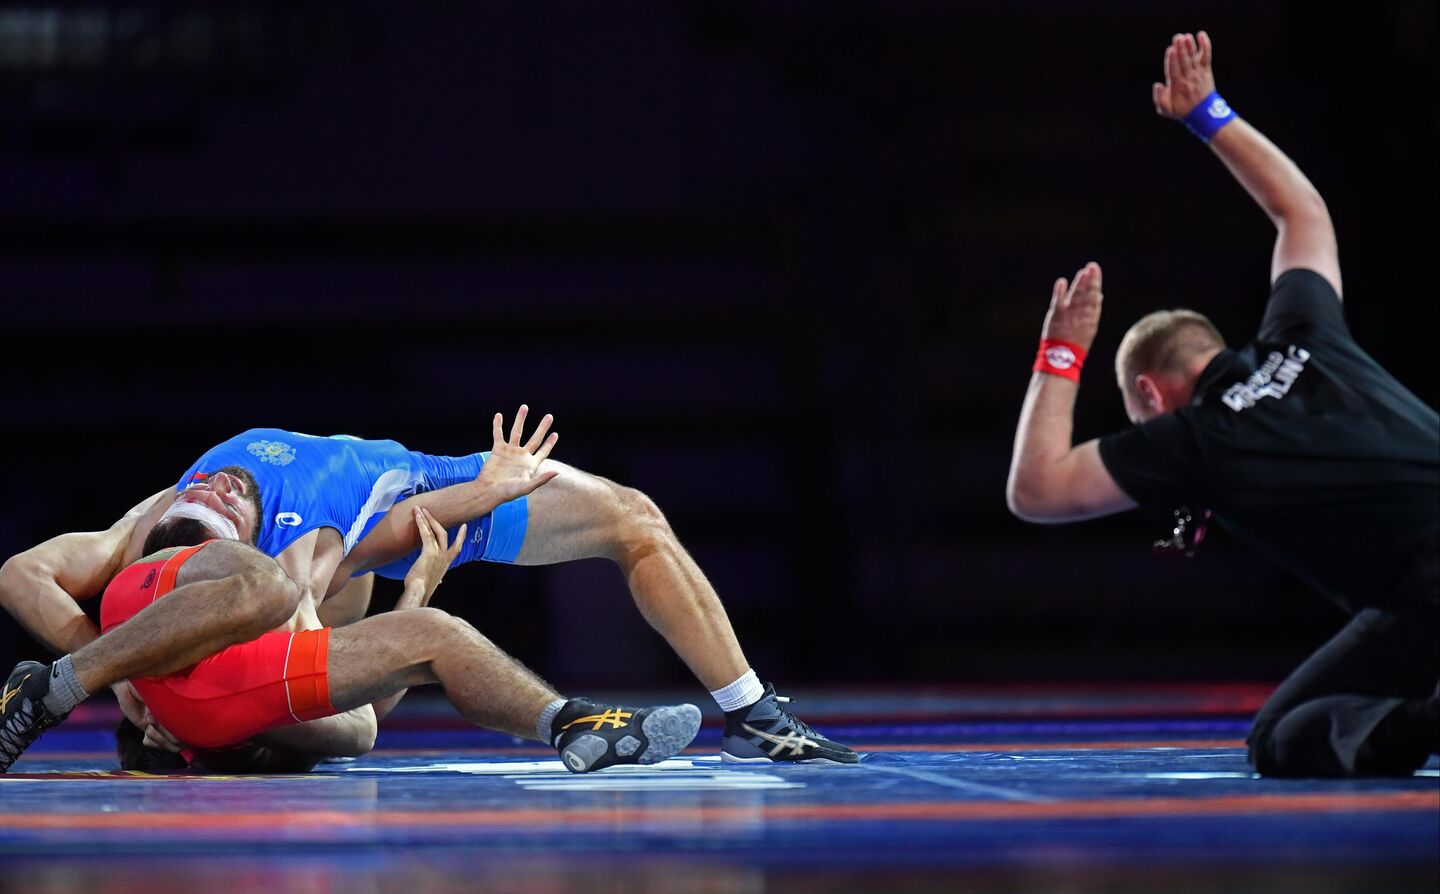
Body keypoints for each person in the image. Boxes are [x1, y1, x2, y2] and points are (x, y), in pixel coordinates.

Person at [1005, 31, 1438, 777]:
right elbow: (1302, 213)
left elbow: (1036, 490)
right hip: (1414, 593)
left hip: (1428, 590)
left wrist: (1061, 350)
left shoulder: (1196, 438)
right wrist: (1208, 112)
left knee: (1279, 737)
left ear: (1151, 394)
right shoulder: (1305, 335)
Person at [2, 409, 855, 771]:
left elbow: (21, 573)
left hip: (372, 526)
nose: (217, 488)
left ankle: (747, 712)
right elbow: (364, 692)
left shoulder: (153, 521)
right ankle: (752, 714)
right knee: (632, 519)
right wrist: (481, 496)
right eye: (216, 505)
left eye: (209, 497)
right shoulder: (289, 569)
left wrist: (108, 667)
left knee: (635, 521)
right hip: (416, 493)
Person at [10, 506, 701, 774]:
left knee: (424, 645)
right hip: (163, 616)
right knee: (275, 588)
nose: (220, 490)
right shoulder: (162, 521)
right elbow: (20, 572)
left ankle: (571, 723)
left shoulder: (299, 591)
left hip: (212, 710)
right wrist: (117, 673)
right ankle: (56, 686)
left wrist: (418, 591)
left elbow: (367, 707)